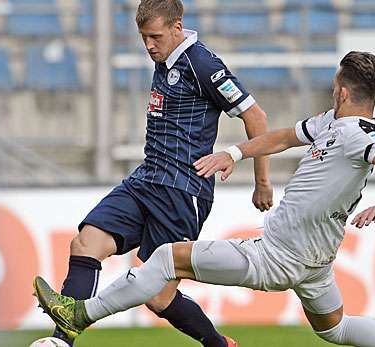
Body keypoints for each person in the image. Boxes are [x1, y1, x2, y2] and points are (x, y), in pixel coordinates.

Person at [34, 51, 375, 347]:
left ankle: (79, 314)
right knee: (336, 329)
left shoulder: (359, 137)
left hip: (275, 258)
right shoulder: (331, 124)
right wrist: (234, 153)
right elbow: (284, 137)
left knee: (167, 258)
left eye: (335, 84)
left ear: (343, 89)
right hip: (315, 265)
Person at [51, 0, 273, 346]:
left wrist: (261, 182)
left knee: (158, 297)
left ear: (177, 27)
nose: (149, 45)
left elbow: (256, 117)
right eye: (143, 38)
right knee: (84, 243)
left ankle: (219, 344)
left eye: (155, 36)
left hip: (182, 191)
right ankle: (60, 341)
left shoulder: (203, 64)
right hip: (146, 179)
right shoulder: (166, 59)